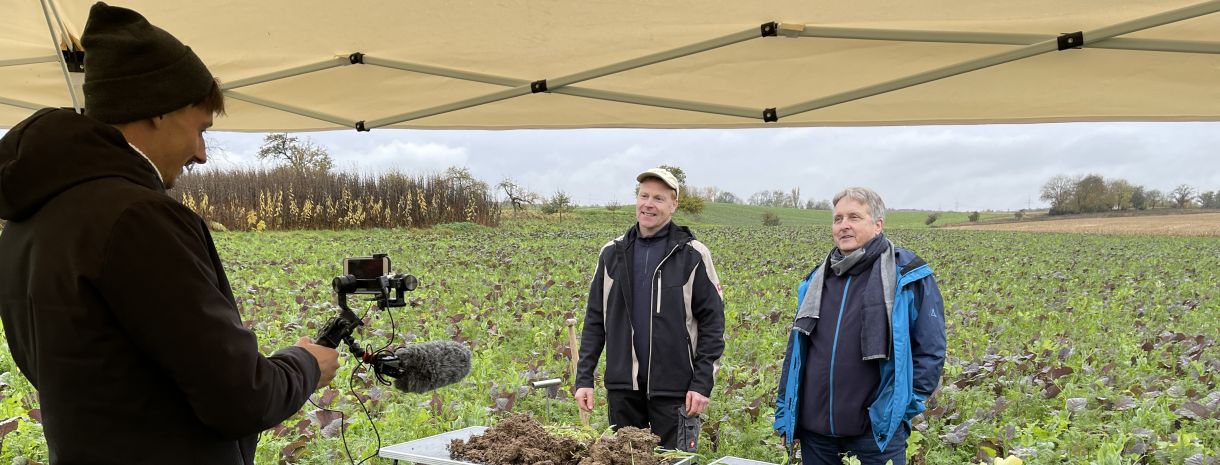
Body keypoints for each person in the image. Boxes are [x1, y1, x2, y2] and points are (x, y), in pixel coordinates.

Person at [0, 3, 339, 464]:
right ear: (158, 110)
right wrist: (304, 365)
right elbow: (240, 397)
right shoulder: (137, 217)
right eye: (200, 129)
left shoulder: (28, 221)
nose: (201, 154)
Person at [773, 187, 946, 465]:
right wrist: (786, 413)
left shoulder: (908, 276)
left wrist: (899, 408)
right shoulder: (816, 280)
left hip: (874, 435)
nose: (844, 226)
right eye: (838, 218)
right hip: (815, 434)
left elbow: (930, 351)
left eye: (854, 217)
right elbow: (796, 353)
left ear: (878, 225)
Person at [574, 167, 725, 451]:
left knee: (674, 460)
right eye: (644, 196)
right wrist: (584, 378)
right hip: (623, 390)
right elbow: (595, 320)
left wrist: (702, 383)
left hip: (676, 391)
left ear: (673, 204)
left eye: (658, 198)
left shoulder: (692, 255)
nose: (648, 204)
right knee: (625, 458)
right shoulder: (612, 253)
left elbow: (713, 326)